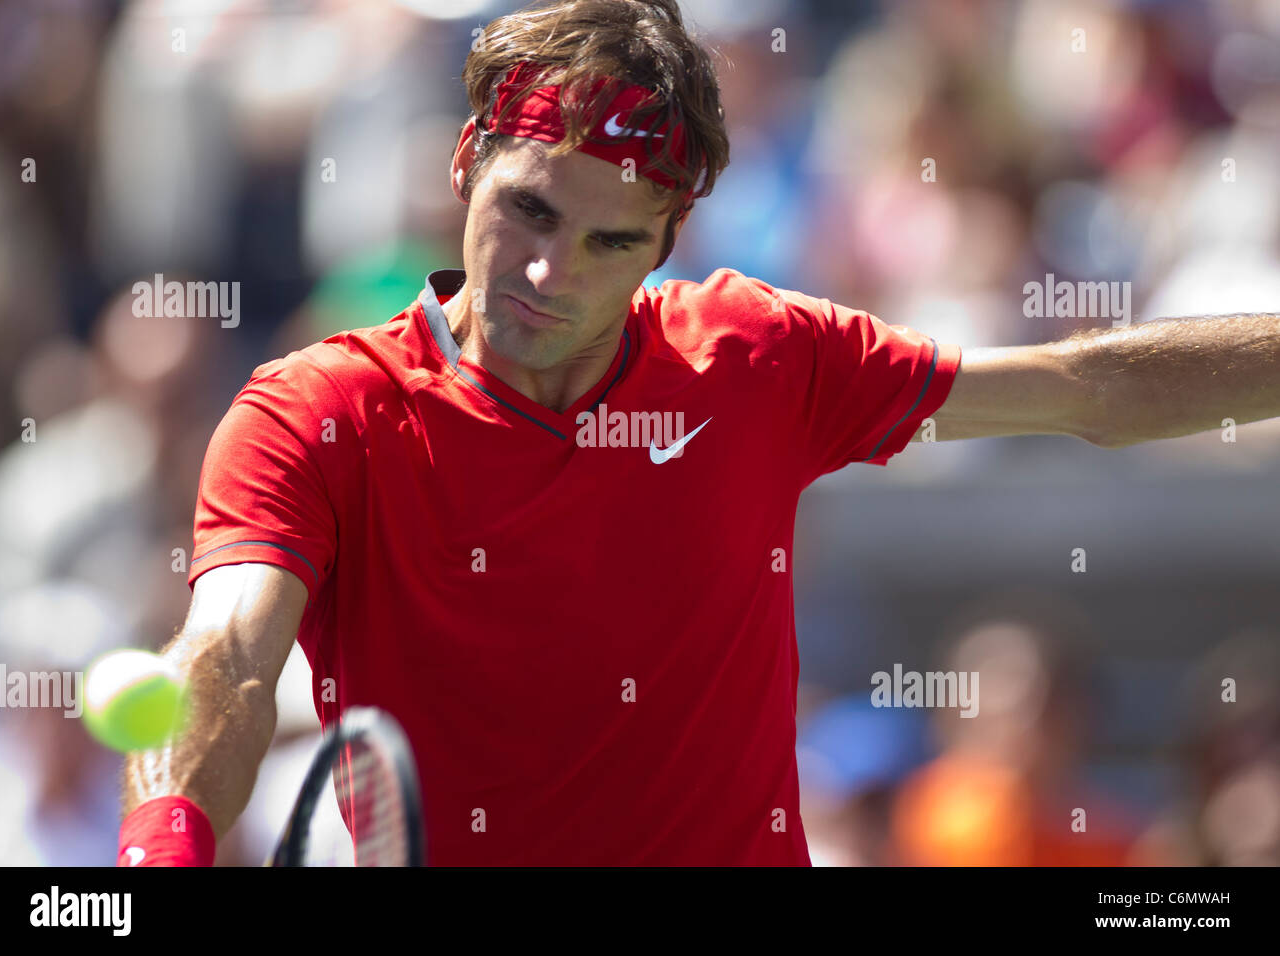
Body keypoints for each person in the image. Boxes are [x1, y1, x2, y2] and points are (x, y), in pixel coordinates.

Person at [118, 0, 1280, 866]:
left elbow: (1089, 388)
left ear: (665, 239)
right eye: (527, 206)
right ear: (466, 161)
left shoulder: (759, 357)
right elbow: (222, 653)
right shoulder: (313, 411)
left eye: (607, 242)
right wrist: (161, 845)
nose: (544, 271)